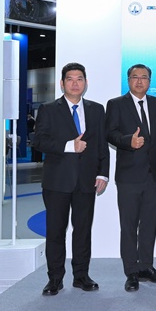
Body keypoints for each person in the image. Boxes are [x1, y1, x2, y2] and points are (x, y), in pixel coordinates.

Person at [32, 63, 109, 296]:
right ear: (62, 83)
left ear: (86, 83)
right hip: (57, 181)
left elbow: (101, 144)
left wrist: (103, 173)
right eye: (70, 79)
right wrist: (68, 146)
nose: (75, 83)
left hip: (87, 181)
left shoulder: (97, 110)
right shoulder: (48, 109)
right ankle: (55, 279)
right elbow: (38, 141)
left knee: (83, 230)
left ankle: (81, 276)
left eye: (79, 79)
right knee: (56, 231)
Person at [105, 64, 156, 293]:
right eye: (135, 77)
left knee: (150, 224)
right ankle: (131, 272)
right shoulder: (116, 104)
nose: (140, 81)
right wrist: (128, 141)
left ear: (150, 81)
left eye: (144, 77)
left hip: (155, 176)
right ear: (128, 80)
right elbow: (109, 133)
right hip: (129, 176)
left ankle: (146, 267)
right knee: (129, 225)